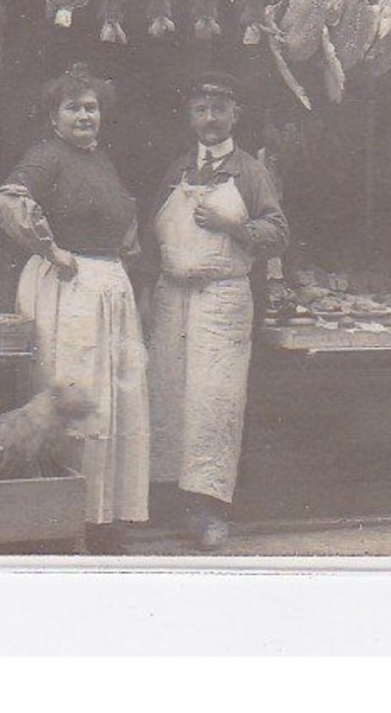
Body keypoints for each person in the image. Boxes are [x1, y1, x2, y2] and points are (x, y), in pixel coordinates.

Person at [0, 64, 148, 553]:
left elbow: (122, 224)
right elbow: (7, 200)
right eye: (73, 107)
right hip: (68, 289)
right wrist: (50, 250)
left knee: (113, 399)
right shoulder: (46, 157)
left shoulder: (102, 161)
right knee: (71, 396)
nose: (85, 116)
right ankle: (63, 518)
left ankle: (104, 517)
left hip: (108, 292)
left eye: (92, 107)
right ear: (53, 117)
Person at [144, 71, 288, 551]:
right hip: (171, 297)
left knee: (214, 402)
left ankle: (208, 511)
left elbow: (279, 234)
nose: (210, 119)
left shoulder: (250, 172)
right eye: (201, 110)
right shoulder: (176, 169)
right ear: (190, 116)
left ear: (234, 116)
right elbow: (155, 234)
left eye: (219, 110)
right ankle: (165, 501)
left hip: (222, 298)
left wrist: (235, 224)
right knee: (167, 396)